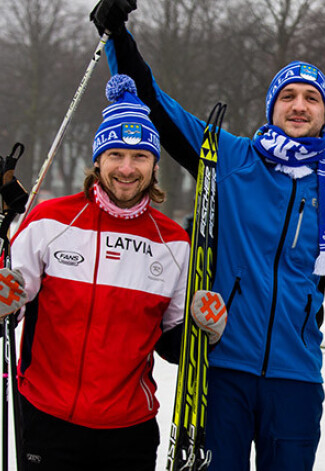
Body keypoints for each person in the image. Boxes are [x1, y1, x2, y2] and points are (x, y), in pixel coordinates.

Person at [90, 2, 325, 470]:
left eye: (312, 97)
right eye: (288, 96)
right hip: (222, 368)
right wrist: (118, 34)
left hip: (296, 376)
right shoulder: (229, 158)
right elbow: (155, 105)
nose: (299, 105)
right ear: (272, 108)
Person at [0, 74, 226, 471]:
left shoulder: (174, 242)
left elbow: (174, 346)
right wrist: (4, 300)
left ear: (154, 165)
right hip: (46, 419)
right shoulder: (50, 221)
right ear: (98, 159)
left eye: (139, 157)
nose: (126, 168)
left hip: (129, 431)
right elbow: (11, 309)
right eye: (116, 154)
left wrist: (204, 330)